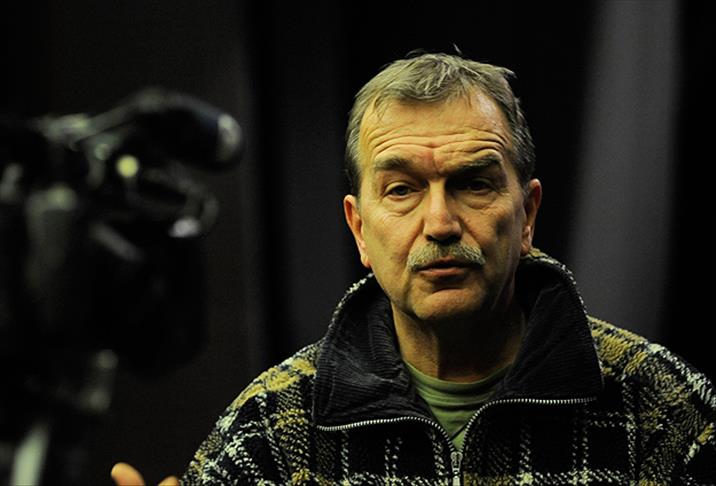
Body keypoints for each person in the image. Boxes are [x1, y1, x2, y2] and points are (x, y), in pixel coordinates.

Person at [113, 52, 716, 484]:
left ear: (527, 215)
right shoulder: (274, 427)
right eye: (401, 189)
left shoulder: (659, 409)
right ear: (359, 229)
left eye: (474, 184)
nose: (440, 222)